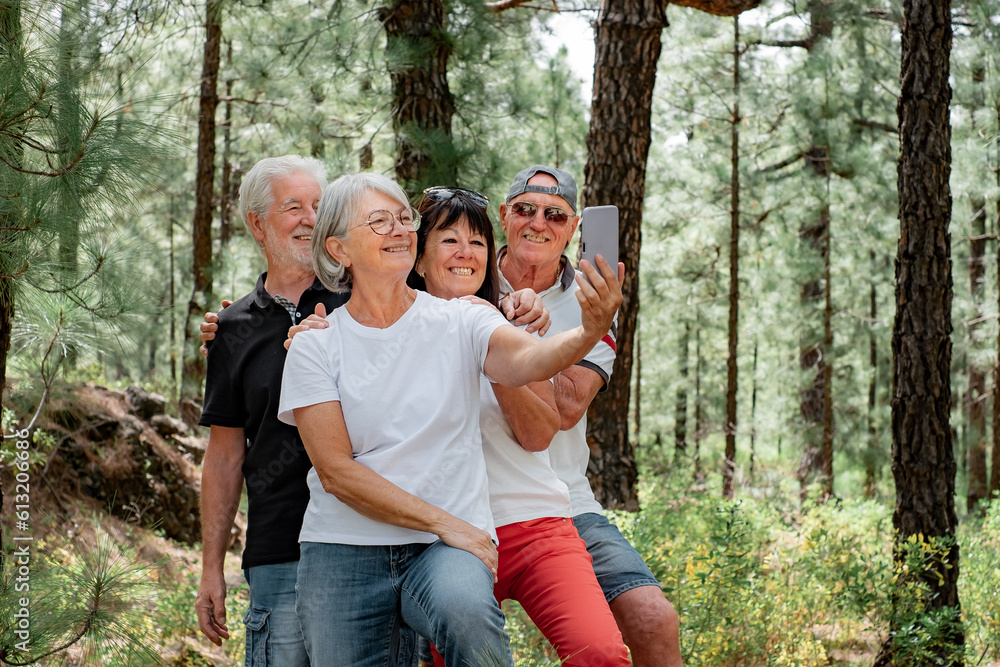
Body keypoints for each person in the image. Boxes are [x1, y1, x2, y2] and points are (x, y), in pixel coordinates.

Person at [275, 172, 622, 667]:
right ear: (338, 248)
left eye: (403, 219)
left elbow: (530, 362)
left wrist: (588, 330)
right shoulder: (316, 343)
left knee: (470, 619)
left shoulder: (467, 318)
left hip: (444, 546)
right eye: (379, 221)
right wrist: (447, 523)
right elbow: (335, 472)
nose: (399, 229)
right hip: (345, 546)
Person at [412, 186, 629, 665]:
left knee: (601, 654)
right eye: (449, 240)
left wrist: (490, 339)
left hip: (535, 522)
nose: (466, 253)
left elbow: (538, 434)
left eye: (477, 242)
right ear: (419, 258)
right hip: (449, 535)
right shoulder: (393, 331)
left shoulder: (511, 321)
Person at [497, 165, 683, 666]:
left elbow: (564, 408)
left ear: (574, 227)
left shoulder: (594, 300)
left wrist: (528, 333)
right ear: (504, 216)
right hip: (471, 499)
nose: (539, 223)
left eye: (555, 215)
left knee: (653, 620)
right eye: (525, 209)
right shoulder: (464, 275)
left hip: (564, 500)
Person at [195, 155, 347, 667]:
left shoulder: (364, 301)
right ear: (257, 224)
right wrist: (211, 568)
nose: (310, 219)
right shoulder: (231, 329)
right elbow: (223, 458)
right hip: (278, 552)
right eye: (293, 207)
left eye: (319, 206)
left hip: (365, 544)